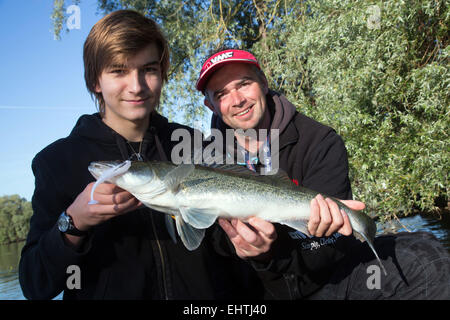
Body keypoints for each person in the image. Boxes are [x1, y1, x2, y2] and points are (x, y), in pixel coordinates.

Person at [18, 11, 266, 300]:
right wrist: (74, 221)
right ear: (95, 81)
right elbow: (36, 286)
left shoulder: (196, 144)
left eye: (148, 69)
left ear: (161, 74)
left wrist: (255, 250)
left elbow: (229, 256)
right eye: (119, 71)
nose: (136, 86)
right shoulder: (57, 162)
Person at [196, 48, 450, 299]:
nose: (237, 99)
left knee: (425, 258)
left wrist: (321, 234)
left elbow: (334, 249)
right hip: (260, 289)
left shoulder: (319, 140)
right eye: (222, 94)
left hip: (330, 278)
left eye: (244, 83)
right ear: (210, 104)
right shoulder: (203, 158)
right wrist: (261, 254)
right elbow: (212, 242)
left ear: (263, 82)